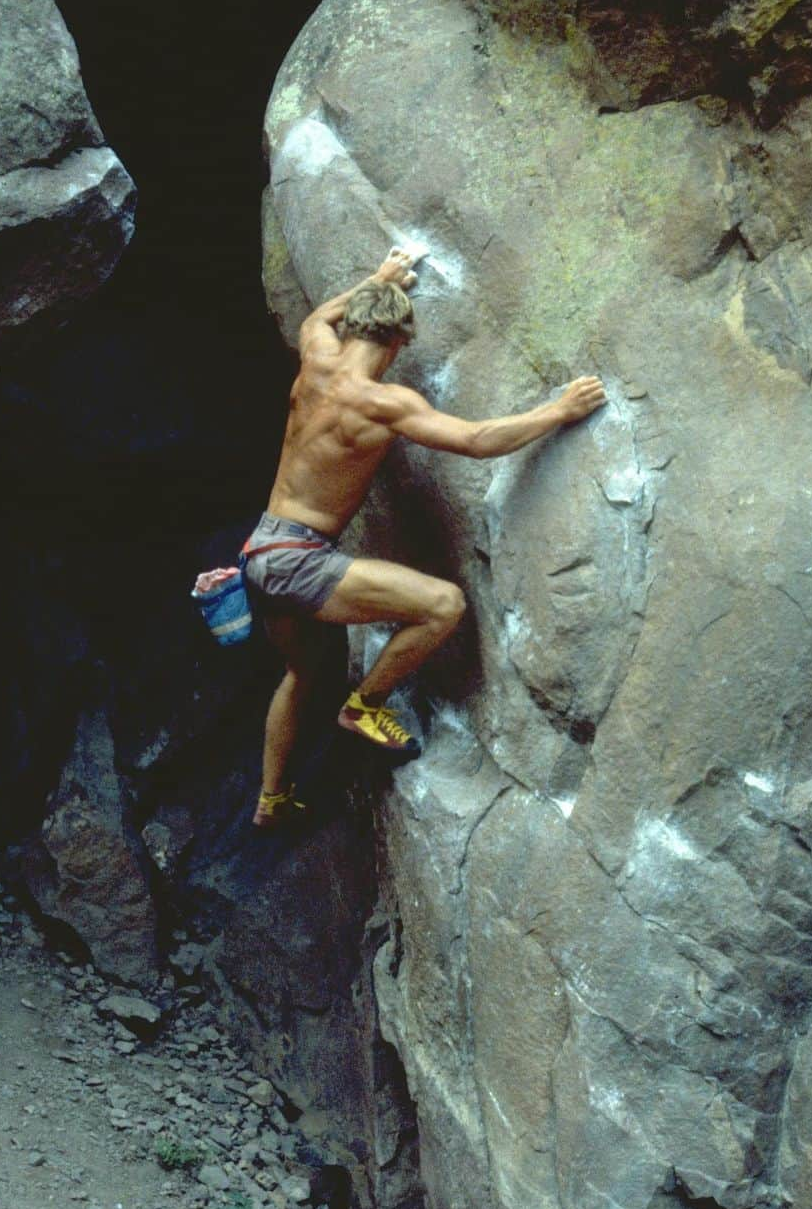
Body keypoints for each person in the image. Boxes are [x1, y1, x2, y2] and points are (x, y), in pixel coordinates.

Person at [243, 246, 607, 826]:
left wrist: (377, 279)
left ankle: (271, 799)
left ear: (355, 323)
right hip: (299, 563)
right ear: (398, 342)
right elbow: (476, 438)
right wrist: (558, 411)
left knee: (301, 673)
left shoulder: (316, 354)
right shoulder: (384, 403)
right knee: (444, 605)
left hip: (260, 551)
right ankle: (365, 705)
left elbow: (318, 319)